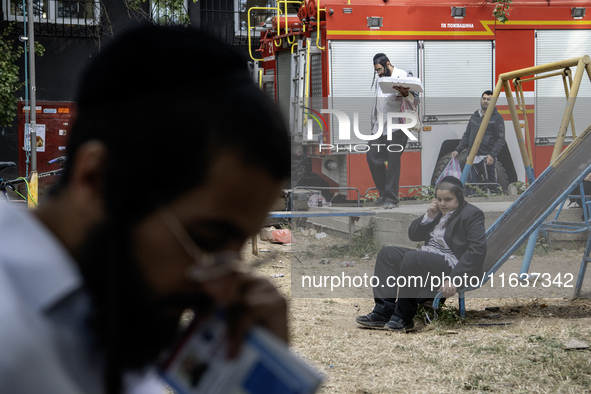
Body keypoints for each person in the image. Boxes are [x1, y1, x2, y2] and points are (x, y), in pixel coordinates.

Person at [0, 25, 291, 393]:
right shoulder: (12, 341)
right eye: (205, 240)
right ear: (96, 180)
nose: (222, 292)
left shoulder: (115, 322)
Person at [356, 176, 487, 331]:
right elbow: (413, 235)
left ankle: (403, 317)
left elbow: (477, 251)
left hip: (452, 264)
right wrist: (429, 216)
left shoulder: (472, 214)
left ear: (459, 198)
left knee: (413, 257)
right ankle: (383, 312)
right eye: (439, 199)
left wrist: (454, 279)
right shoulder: (437, 211)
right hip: (427, 256)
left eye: (448, 199)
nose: (442, 204)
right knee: (387, 253)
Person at [367, 53, 419, 209]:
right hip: (380, 127)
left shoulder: (402, 75)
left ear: (388, 64)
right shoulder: (380, 79)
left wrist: (404, 92)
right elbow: (378, 105)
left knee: (393, 162)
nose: (378, 73)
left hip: (397, 127)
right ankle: (384, 193)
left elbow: (415, 98)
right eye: (376, 70)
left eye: (380, 69)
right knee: (372, 157)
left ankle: (391, 198)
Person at [451, 90, 505, 194]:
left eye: (489, 99)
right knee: (470, 188)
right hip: (472, 158)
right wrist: (458, 150)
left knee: (493, 186)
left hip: (486, 159)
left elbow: (501, 140)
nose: (485, 101)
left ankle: (497, 205)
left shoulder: (497, 118)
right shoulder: (474, 116)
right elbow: (467, 135)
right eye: (484, 99)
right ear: (481, 100)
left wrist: (492, 155)